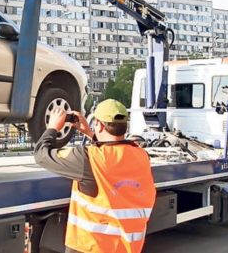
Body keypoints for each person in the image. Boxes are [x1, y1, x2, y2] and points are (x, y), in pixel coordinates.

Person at [34, 99, 156, 253]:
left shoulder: (89, 158)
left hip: (91, 247)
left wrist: (52, 127)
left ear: (98, 124)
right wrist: (90, 133)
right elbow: (113, 151)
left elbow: (41, 155)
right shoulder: (141, 155)